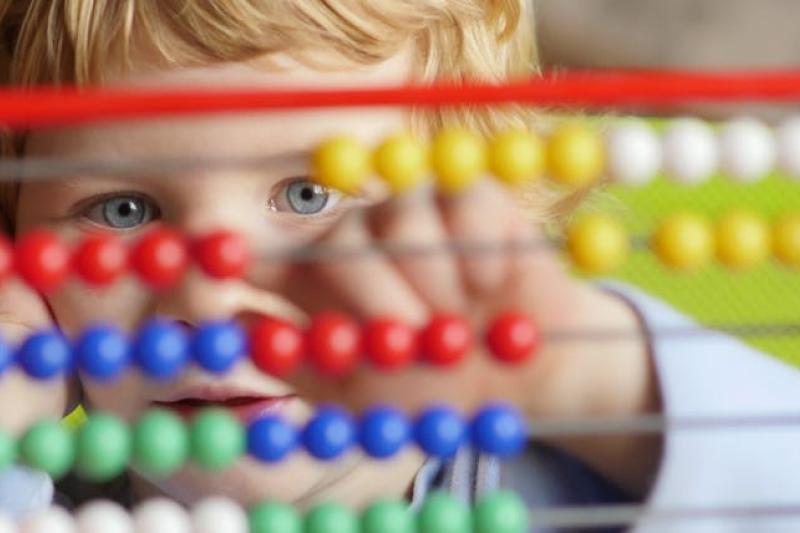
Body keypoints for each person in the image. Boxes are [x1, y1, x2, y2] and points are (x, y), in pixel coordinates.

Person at [1, 1, 800, 531]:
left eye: (310, 194)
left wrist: (590, 376)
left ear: (478, 213)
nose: (210, 301)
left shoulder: (588, 485)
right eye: (123, 211)